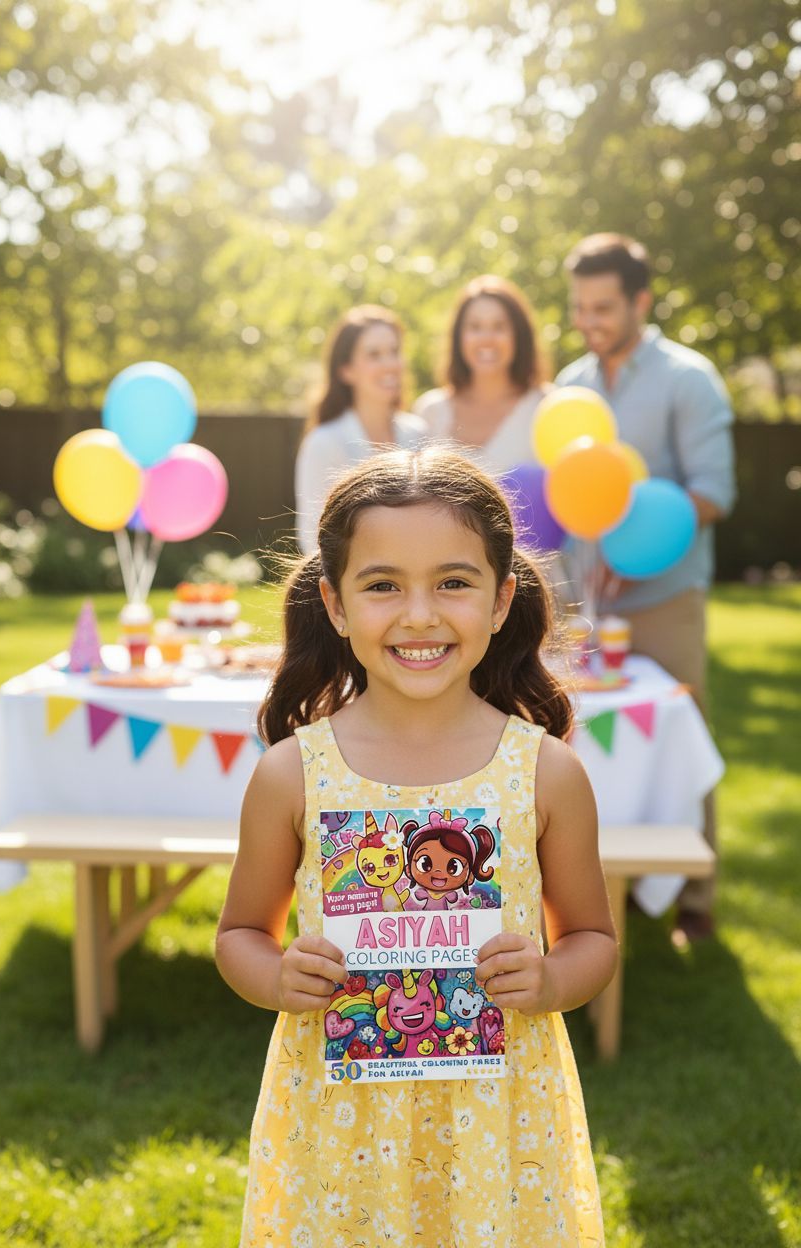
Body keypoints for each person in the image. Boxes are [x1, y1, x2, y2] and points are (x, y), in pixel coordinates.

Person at [216, 445, 617, 1247]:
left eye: (453, 582)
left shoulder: (546, 773)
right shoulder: (293, 773)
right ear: (335, 604)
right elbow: (239, 935)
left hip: (499, 1125)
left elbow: (594, 940)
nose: (420, 615)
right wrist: (277, 976)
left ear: (502, 600)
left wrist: (548, 979)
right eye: (383, 585)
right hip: (341, 1130)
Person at [556, 232, 736, 944]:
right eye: (580, 308)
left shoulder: (688, 379)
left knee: (680, 731)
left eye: (602, 308)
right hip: (585, 602)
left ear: (641, 301)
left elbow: (714, 493)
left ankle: (696, 899)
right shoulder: (570, 386)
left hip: (664, 599)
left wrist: (635, 550)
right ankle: (611, 886)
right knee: (595, 739)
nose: (589, 321)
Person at [294, 304, 426, 554]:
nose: (390, 364)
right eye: (374, 355)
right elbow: (312, 539)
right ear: (346, 370)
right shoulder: (324, 443)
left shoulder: (418, 433)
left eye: (394, 351)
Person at [414, 274, 549, 474]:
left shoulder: (546, 406)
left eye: (499, 327)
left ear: (518, 336)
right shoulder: (430, 412)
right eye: (475, 327)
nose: (486, 338)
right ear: (459, 337)